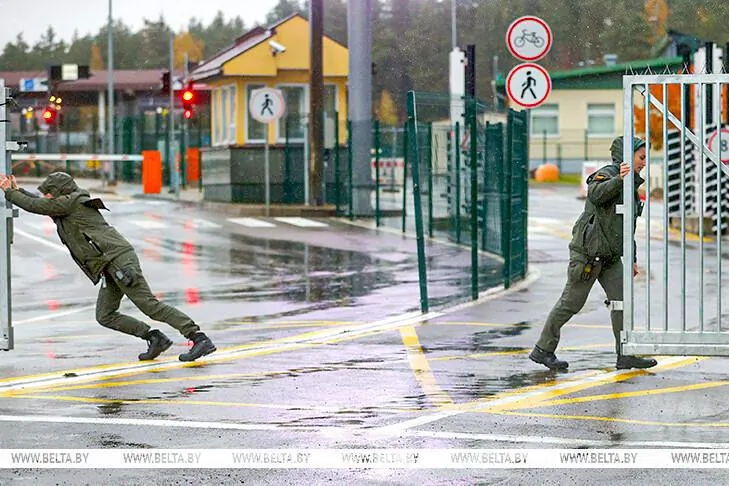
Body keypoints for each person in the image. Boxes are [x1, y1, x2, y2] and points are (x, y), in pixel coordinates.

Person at [0, 172, 216, 362]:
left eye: (49, 193)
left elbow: (38, 206)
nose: (46, 197)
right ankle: (154, 337)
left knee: (149, 305)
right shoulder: (65, 204)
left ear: (59, 192)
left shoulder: (71, 202)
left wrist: (10, 192)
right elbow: (40, 203)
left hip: (118, 261)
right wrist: (17, 191)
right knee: (105, 315)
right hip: (108, 265)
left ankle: (198, 338)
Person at [529, 136, 658, 371]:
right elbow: (595, 194)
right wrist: (619, 179)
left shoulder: (630, 185)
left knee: (622, 302)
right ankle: (543, 349)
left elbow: (627, 226)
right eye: (641, 157)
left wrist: (632, 259)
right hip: (588, 255)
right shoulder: (607, 174)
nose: (644, 163)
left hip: (610, 257)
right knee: (571, 303)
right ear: (626, 157)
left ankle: (625, 354)